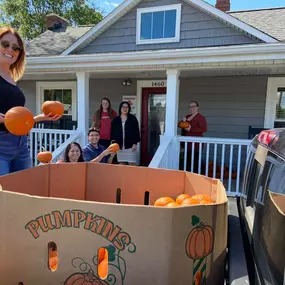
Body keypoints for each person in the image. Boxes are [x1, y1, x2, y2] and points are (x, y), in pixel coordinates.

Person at [0, 27, 61, 176]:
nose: (10, 50)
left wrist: (39, 118)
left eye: (16, 48)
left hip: (21, 144)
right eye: (5, 44)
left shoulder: (12, 81)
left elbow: (15, 120)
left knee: (23, 190)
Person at [110, 101, 140, 166]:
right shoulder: (116, 120)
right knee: (121, 163)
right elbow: (113, 133)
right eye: (123, 107)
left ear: (129, 109)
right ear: (120, 108)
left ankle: (135, 176)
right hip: (119, 146)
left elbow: (136, 131)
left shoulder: (133, 119)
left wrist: (135, 143)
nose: (125, 108)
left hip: (130, 146)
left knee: (132, 163)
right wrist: (113, 145)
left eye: (127, 107)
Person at [181, 101, 207, 173]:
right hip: (187, 143)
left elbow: (204, 129)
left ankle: (194, 178)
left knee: (195, 162)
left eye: (194, 106)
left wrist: (190, 129)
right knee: (187, 161)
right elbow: (179, 124)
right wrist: (184, 122)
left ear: (197, 107)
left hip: (196, 144)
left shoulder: (201, 118)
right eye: (190, 107)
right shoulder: (187, 117)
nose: (192, 108)